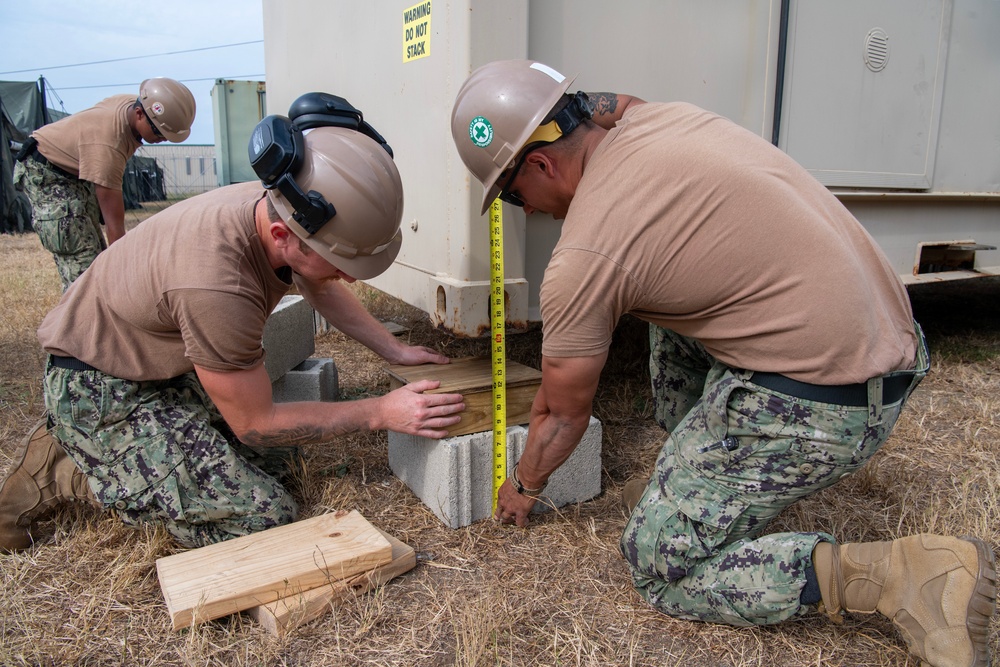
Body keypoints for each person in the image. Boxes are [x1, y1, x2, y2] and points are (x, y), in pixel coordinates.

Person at [450, 60, 996, 667]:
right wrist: (564, 103)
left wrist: (523, 486)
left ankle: (902, 579)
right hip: (889, 353)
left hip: (826, 407)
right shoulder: (658, 119)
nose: (523, 211)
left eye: (514, 193)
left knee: (658, 564)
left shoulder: (585, 254)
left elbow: (559, 413)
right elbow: (620, 100)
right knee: (664, 319)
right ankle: (694, 481)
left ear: (541, 164)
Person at [0, 94, 465, 551]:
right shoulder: (217, 284)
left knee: (281, 462)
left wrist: (394, 350)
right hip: (98, 386)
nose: (347, 276)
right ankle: (87, 470)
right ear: (284, 237)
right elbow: (256, 422)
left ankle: (117, 453)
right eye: (339, 261)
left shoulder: (279, 203)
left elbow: (319, 284)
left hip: (151, 362)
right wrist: (379, 412)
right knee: (261, 514)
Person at [13, 77, 196, 291]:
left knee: (98, 255)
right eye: (159, 132)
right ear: (139, 114)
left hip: (75, 172)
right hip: (46, 173)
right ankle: (77, 319)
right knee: (83, 265)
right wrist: (126, 276)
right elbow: (114, 226)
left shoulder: (134, 105)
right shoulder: (108, 146)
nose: (163, 139)